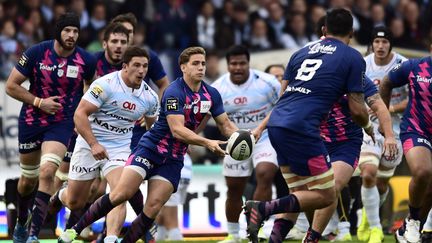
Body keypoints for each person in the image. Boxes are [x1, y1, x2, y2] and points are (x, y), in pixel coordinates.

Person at [58, 46, 239, 243]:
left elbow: (225, 124)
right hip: (151, 149)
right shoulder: (173, 91)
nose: (201, 68)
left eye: (203, 63)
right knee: (120, 193)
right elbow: (177, 130)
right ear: (183, 67)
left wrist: (242, 137)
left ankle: (114, 239)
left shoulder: (211, 94)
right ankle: (74, 230)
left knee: (151, 208)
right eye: (195, 63)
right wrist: (207, 142)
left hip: (173, 158)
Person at [243, 8, 371, 243]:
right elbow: (357, 109)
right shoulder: (353, 57)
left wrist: (262, 128)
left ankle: (275, 238)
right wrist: (369, 125)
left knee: (298, 194)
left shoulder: (300, 53)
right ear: (352, 32)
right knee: (325, 195)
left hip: (279, 123)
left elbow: (283, 96)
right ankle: (263, 209)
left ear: (324, 29)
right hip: (305, 128)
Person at [5, 12, 96, 243]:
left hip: (61, 122)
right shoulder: (36, 52)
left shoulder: (86, 60)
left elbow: (90, 89)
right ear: (58, 31)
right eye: (67, 30)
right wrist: (38, 102)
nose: (72, 35)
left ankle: (34, 234)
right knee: (27, 182)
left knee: (48, 172)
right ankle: (21, 220)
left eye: (75, 31)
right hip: (32, 120)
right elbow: (11, 86)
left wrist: (79, 112)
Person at [58, 46, 159, 243]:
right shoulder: (105, 85)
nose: (141, 70)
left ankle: (111, 238)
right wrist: (94, 143)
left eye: (145, 66)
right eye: (136, 65)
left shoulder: (150, 97)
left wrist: (146, 160)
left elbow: (151, 130)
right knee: (74, 201)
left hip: (119, 147)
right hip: (89, 143)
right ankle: (60, 194)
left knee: (119, 192)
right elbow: (79, 114)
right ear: (125, 66)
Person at [212, 45, 281, 243]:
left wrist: (260, 129)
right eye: (234, 64)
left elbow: (281, 107)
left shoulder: (267, 82)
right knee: (234, 187)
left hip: (264, 136)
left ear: (249, 63)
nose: (238, 67)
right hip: (235, 140)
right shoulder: (217, 88)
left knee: (265, 173)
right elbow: (214, 118)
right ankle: (233, 235)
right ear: (227, 65)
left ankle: (256, 228)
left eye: (242, 63)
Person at [357, 26, 408, 243]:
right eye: (376, 42)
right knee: (368, 173)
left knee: (381, 184)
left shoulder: (403, 64)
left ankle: (368, 217)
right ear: (371, 45)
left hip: (394, 131)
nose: (380, 46)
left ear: (390, 45)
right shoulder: (362, 64)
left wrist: (387, 110)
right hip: (368, 129)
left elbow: (412, 99)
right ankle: (376, 229)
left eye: (385, 42)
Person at [380, 47, 432, 243]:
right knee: (423, 171)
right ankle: (413, 224)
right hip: (416, 128)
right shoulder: (416, 66)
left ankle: (411, 224)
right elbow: (386, 83)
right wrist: (384, 118)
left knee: (430, 188)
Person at [155, 153, 192, 241]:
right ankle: (159, 238)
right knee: (161, 211)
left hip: (170, 171)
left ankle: (176, 238)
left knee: (171, 220)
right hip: (186, 169)